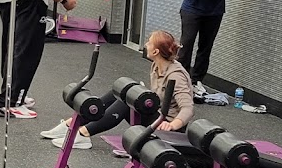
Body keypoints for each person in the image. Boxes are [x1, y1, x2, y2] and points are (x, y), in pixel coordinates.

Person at [42, 29, 194, 148]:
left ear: (156, 52)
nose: (146, 44)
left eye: (149, 42)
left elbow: (188, 109)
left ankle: (83, 135)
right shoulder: (156, 65)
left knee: (126, 102)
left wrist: (172, 125)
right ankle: (71, 124)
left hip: (167, 128)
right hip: (157, 116)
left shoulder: (176, 75)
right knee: (121, 92)